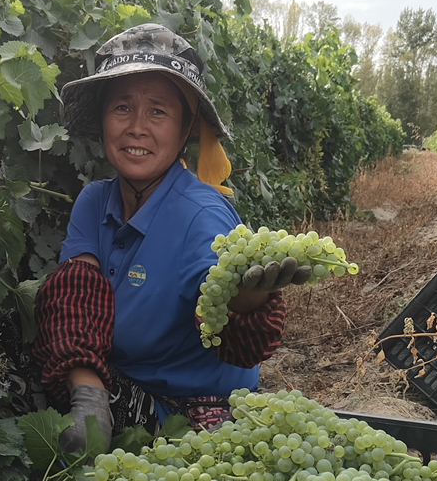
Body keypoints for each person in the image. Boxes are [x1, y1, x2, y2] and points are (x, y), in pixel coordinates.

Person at [30, 24, 311, 452]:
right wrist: (88, 399)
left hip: (198, 414)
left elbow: (234, 335)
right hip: (126, 385)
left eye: (158, 111)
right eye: (122, 107)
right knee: (28, 339)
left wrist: (244, 305)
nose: (137, 127)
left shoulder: (201, 216)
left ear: (185, 130)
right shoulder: (94, 201)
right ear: (103, 118)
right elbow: (76, 296)